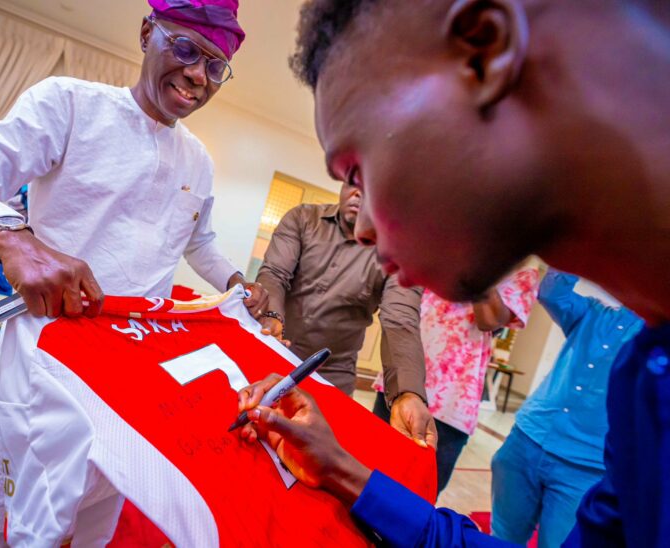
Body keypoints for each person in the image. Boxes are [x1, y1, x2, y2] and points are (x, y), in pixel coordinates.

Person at [236, 0, 670, 546]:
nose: (363, 226)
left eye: (360, 167)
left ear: (484, 50)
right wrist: (343, 472)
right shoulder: (643, 378)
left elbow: (402, 317)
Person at [0, 1, 268, 545]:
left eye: (215, 65)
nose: (198, 74)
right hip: (48, 357)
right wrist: (11, 236)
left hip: (132, 370)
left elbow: (200, 242)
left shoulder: (198, 159)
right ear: (148, 32)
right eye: (186, 49)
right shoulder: (71, 105)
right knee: (13, 513)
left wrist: (234, 282)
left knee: (96, 505)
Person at [256, 181, 435, 446]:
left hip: (332, 376)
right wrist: (272, 318)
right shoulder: (303, 218)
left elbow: (400, 320)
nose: (359, 191)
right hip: (272, 352)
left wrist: (407, 394)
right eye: (353, 182)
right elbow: (274, 274)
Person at [492, 270, 643, 547]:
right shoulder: (593, 313)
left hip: (584, 467)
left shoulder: (651, 340)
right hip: (526, 440)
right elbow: (551, 292)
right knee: (501, 537)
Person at [375, 269, 538, 493]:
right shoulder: (448, 238)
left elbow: (489, 319)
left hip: (451, 398)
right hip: (399, 375)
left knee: (417, 495)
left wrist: (478, 261)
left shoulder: (522, 268)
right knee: (368, 470)